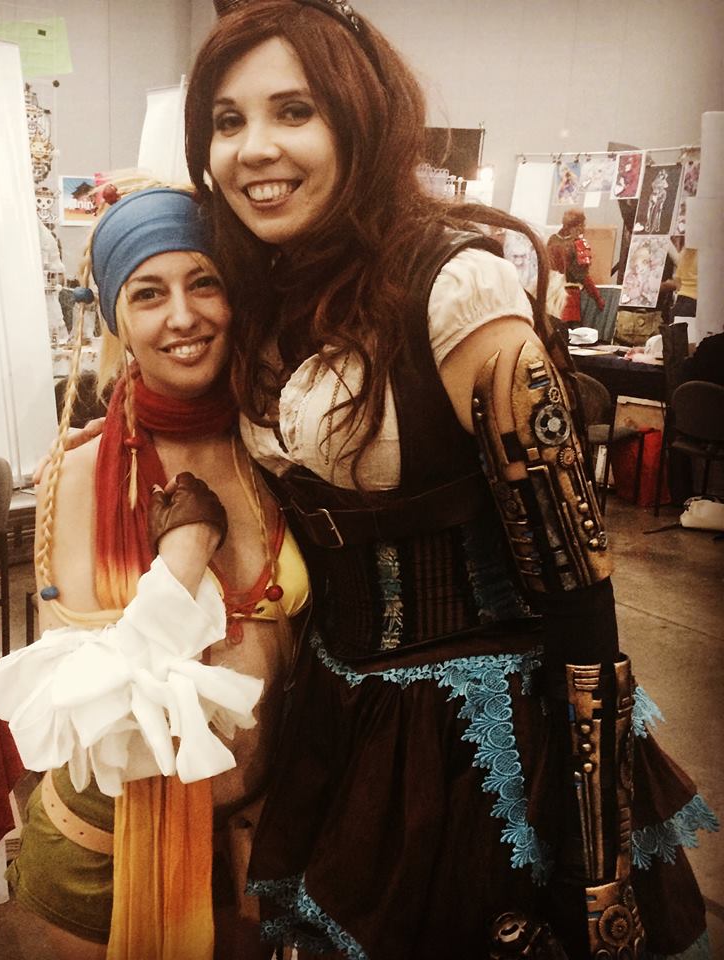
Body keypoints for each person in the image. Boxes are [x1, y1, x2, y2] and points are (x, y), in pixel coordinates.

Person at [183, 3, 717, 958]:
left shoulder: (457, 290)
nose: (254, 147)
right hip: (335, 713)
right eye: (228, 120)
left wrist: (594, 865)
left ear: (360, 119)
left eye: (294, 110)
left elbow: (581, 594)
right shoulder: (265, 295)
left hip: (484, 747)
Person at [0, 186, 309, 960]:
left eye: (204, 283)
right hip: (111, 855)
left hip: (267, 842)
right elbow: (94, 693)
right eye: (149, 293)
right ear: (117, 318)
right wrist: (183, 560)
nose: (182, 316)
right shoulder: (82, 475)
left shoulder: (277, 450)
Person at [546, 210, 606, 326]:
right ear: (578, 226)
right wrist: (598, 298)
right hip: (569, 298)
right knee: (571, 332)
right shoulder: (578, 244)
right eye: (583, 225)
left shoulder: (552, 240)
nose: (583, 229)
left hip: (551, 295)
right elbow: (583, 276)